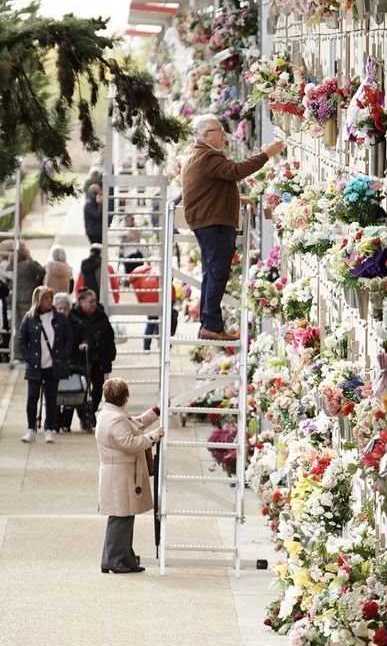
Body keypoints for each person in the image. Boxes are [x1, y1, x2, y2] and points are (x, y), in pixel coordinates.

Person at [181, 114, 284, 340]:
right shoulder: (207, 156)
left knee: (212, 273)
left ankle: (209, 323)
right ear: (207, 135)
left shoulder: (198, 154)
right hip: (213, 222)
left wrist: (237, 201)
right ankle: (211, 326)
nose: (224, 135)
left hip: (208, 220)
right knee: (217, 273)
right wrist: (266, 154)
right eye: (220, 131)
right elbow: (235, 172)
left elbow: (212, 187)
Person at [95, 378, 164, 574]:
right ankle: (113, 560)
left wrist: (156, 411)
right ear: (125, 398)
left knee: (124, 517)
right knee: (120, 518)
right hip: (119, 475)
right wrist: (153, 437)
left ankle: (124, 558)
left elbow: (137, 423)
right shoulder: (115, 418)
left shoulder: (110, 414)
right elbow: (130, 442)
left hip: (119, 474)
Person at [18, 285, 72, 444]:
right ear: (38, 300)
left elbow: (68, 338)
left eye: (50, 297)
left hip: (52, 364)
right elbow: (22, 340)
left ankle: (49, 429)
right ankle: (30, 429)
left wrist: (62, 356)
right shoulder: (30, 318)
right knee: (32, 397)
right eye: (46, 298)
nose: (50, 301)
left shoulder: (59, 318)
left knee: (51, 398)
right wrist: (28, 357)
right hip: (35, 365)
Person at [69, 288, 116, 424]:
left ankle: (91, 411)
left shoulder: (101, 316)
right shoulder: (74, 317)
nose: (94, 304)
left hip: (98, 359)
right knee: (81, 389)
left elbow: (109, 336)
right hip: (79, 360)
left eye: (95, 301)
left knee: (98, 389)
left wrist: (110, 355)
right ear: (81, 302)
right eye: (90, 302)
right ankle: (85, 415)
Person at [14, 243, 45, 358]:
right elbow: (42, 271)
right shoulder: (29, 264)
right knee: (27, 326)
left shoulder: (14, 265)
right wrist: (33, 260)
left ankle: (16, 353)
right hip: (27, 299)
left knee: (17, 326)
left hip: (15, 299)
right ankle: (24, 353)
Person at [53, 292, 76, 432]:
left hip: (72, 362)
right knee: (53, 393)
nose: (62, 311)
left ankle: (66, 422)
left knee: (72, 393)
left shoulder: (76, 323)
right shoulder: (51, 323)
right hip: (55, 362)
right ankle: (55, 420)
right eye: (59, 308)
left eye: (65, 308)